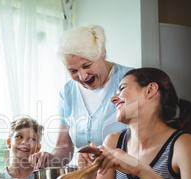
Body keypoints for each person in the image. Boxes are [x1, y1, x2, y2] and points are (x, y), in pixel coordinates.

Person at [70, 67, 191, 179]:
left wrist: (143, 170)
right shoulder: (115, 141)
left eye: (123, 88)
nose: (113, 98)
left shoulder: (185, 145)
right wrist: (88, 173)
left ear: (150, 90)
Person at [29, 25, 133, 168]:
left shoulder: (131, 80)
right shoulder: (67, 93)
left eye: (87, 65)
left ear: (103, 54)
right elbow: (64, 148)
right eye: (73, 70)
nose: (83, 76)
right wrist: (50, 158)